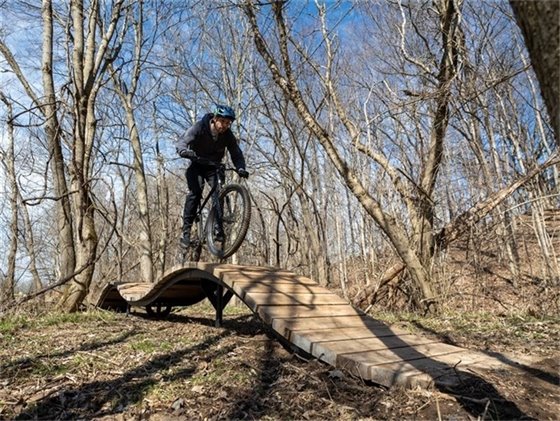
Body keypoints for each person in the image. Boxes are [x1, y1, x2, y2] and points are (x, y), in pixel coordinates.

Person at [176, 104, 249, 248]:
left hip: (214, 167)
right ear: (215, 119)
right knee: (195, 193)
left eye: (228, 123)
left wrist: (240, 167)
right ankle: (186, 231)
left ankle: (217, 227)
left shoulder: (228, 135)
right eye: (223, 122)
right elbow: (183, 141)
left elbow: (236, 152)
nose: (225, 126)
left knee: (219, 191)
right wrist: (184, 150)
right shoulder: (200, 127)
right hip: (197, 164)